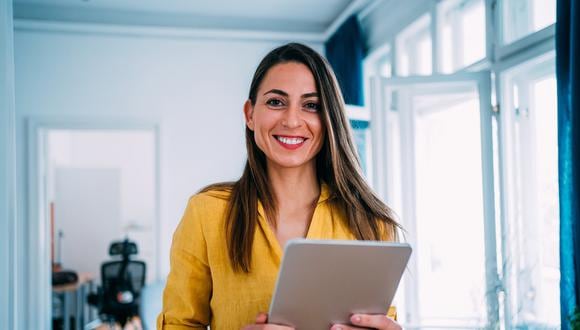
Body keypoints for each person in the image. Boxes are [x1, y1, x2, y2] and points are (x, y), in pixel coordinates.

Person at [158, 43, 402, 330]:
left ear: (329, 120)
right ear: (250, 114)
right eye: (276, 102)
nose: (292, 120)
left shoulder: (370, 223)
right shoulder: (206, 213)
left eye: (311, 106)